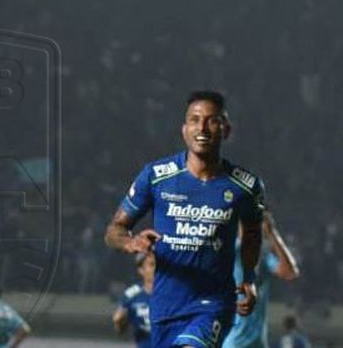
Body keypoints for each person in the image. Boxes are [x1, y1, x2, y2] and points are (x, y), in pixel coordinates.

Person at [105, 90, 265, 347]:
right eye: (194, 119)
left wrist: (249, 277)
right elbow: (114, 229)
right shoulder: (156, 176)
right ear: (184, 129)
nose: (202, 127)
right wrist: (130, 243)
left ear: (226, 129)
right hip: (166, 305)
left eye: (212, 120)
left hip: (213, 303)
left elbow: (253, 234)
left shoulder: (245, 186)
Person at [223, 211, 300, 348]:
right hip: (233, 342)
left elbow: (290, 272)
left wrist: (273, 235)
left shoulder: (262, 256)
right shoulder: (228, 252)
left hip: (257, 343)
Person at [113, 253, 154, 347]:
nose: (156, 269)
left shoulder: (172, 293)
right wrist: (119, 321)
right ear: (141, 270)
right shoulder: (131, 294)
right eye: (151, 265)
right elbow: (120, 330)